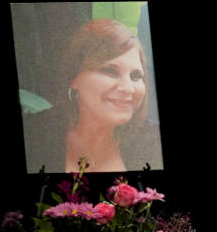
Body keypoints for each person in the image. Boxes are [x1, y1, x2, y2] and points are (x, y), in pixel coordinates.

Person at [22, 18, 163, 173]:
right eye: (110, 71)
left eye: (136, 76)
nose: (128, 88)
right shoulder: (32, 136)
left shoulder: (155, 142)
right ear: (73, 78)